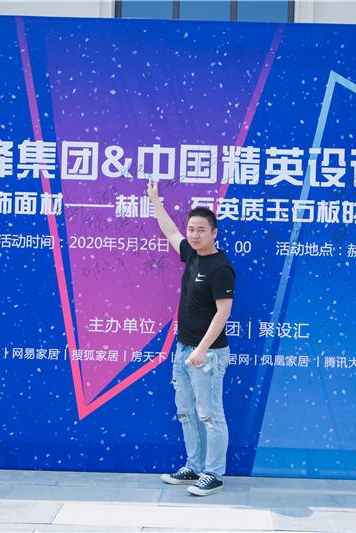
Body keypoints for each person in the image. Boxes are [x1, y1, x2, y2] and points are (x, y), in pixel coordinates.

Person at [147, 179, 235, 496]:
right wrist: (155, 200)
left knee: (210, 416)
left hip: (207, 355)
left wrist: (201, 349)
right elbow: (171, 232)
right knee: (186, 412)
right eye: (192, 229)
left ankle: (214, 473)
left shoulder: (221, 267)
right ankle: (194, 467)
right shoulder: (192, 254)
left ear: (214, 233)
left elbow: (223, 313)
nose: (194, 235)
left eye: (201, 230)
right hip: (183, 350)